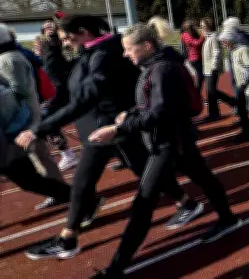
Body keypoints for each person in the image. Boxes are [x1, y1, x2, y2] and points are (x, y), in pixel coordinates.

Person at [22, 15, 202, 262]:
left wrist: (39, 129)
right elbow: (67, 84)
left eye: (65, 37)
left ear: (83, 31)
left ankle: (187, 205)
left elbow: (85, 95)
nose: (64, 42)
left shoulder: (105, 55)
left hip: (112, 131)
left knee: (144, 176)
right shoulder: (90, 52)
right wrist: (51, 53)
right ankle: (68, 238)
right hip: (98, 130)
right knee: (87, 182)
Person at [86, 22, 242, 278]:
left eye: (128, 49)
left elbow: (159, 112)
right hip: (173, 140)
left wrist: (119, 129)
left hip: (168, 144)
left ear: (147, 46)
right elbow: (153, 105)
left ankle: (115, 269)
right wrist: (132, 113)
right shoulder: (155, 66)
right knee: (203, 177)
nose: (125, 54)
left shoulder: (162, 69)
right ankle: (228, 218)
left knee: (144, 202)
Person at [0, 25, 71, 210]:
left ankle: (64, 193)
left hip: (23, 119)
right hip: (23, 117)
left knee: (38, 157)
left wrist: (16, 120)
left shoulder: (8, 60)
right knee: (35, 160)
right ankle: (61, 192)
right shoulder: (12, 56)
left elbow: (17, 93)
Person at [35, 18, 79, 171]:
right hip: (54, 92)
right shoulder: (42, 57)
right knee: (46, 121)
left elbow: (54, 40)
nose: (36, 47)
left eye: (37, 45)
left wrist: (53, 31)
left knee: (47, 121)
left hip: (60, 92)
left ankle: (68, 155)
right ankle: (64, 154)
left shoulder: (52, 49)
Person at [199, 17, 235, 123]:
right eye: (201, 26)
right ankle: (213, 113)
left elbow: (217, 52)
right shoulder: (207, 37)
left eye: (203, 26)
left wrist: (214, 66)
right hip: (207, 68)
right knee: (210, 91)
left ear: (209, 26)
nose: (201, 28)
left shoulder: (214, 37)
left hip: (212, 68)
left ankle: (232, 103)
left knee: (212, 91)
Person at [180, 19, 205, 91]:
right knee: (200, 75)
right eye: (193, 26)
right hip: (194, 58)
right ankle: (196, 92)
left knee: (200, 75)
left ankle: (196, 92)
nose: (195, 27)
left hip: (198, 57)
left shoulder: (192, 33)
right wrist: (202, 37)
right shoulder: (186, 35)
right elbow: (195, 43)